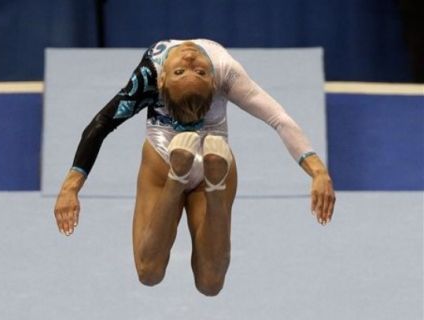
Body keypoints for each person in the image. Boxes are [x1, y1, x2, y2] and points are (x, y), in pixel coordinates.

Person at [53, 39, 336, 296]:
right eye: (181, 72)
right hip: (215, 156)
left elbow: (101, 124)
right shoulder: (211, 71)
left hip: (162, 161)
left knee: (151, 271)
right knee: (207, 283)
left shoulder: (161, 74)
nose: (190, 61)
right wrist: (317, 171)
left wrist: (71, 187)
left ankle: (178, 177)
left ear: (213, 81)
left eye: (200, 72)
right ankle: (213, 185)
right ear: (162, 81)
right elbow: (278, 118)